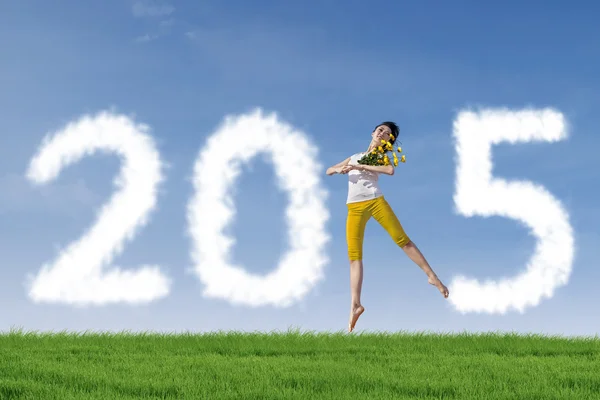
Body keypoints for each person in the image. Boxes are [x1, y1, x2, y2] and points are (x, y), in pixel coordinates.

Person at [326, 121, 449, 333]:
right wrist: (341, 169)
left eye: (387, 134)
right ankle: (355, 305)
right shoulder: (354, 155)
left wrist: (360, 166)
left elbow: (390, 170)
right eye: (380, 129)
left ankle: (432, 276)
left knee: (402, 239)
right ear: (373, 132)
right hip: (354, 208)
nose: (382, 133)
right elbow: (328, 170)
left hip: (375, 201)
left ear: (388, 140)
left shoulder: (381, 156)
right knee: (354, 256)